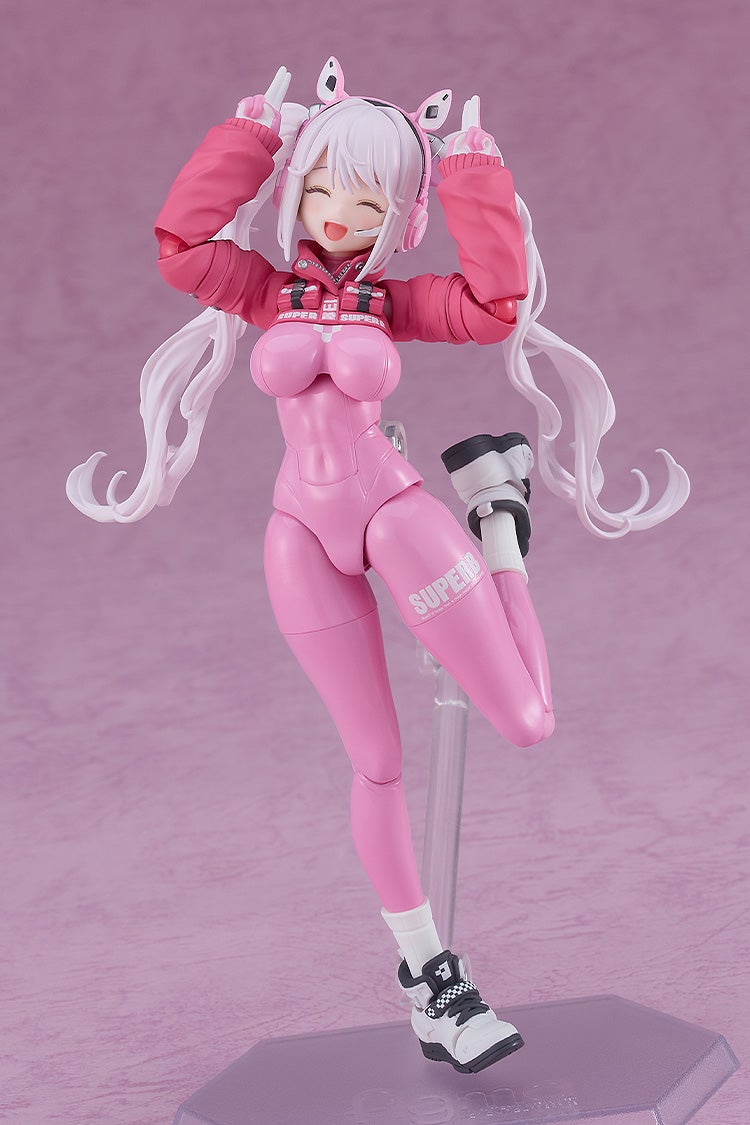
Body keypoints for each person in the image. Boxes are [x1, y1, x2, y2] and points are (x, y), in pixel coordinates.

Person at [67, 59, 689, 1074]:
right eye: (321, 187)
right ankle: (432, 977)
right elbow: (182, 249)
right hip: (298, 533)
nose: (336, 214)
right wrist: (252, 136)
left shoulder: (391, 303)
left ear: (400, 217)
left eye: (367, 201)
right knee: (376, 762)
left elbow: (493, 306)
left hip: (393, 515)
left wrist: (471, 171)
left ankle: (498, 518)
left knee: (526, 720)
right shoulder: (264, 290)